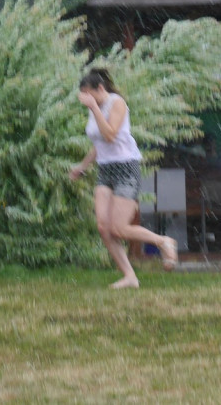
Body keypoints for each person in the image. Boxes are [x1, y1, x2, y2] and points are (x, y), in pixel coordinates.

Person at [69, 68, 177, 289]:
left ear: (100, 89)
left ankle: (163, 241)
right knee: (103, 227)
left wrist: (93, 108)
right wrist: (82, 166)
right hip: (105, 170)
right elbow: (98, 144)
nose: (87, 100)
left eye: (89, 95)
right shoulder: (95, 107)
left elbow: (109, 135)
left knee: (119, 228)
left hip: (126, 169)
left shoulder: (116, 103)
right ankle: (130, 276)